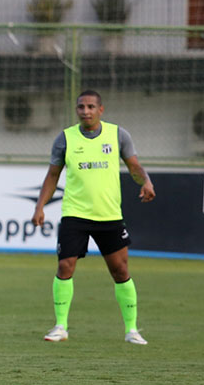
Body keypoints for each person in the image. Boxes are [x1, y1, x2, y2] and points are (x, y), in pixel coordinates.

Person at [31, 90, 155, 345]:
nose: (85, 111)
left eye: (90, 106)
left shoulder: (118, 135)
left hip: (109, 215)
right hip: (75, 214)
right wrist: (40, 206)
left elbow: (134, 166)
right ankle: (60, 326)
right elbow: (53, 175)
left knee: (120, 271)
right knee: (65, 266)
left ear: (101, 110)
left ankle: (132, 330)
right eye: (80, 107)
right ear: (76, 110)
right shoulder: (65, 138)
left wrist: (146, 181)